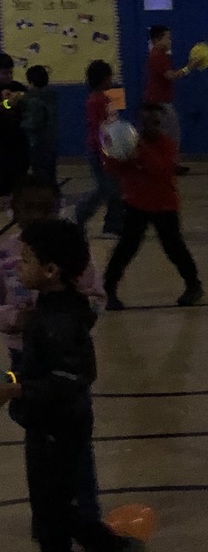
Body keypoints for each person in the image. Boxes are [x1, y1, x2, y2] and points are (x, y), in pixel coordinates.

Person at [0, 219, 144, 552]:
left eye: (26, 260)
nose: (17, 266)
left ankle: (115, 547)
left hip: (57, 428)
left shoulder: (59, 320)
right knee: (53, 510)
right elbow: (43, 370)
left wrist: (16, 390)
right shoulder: (49, 310)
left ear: (50, 270)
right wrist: (14, 381)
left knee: (54, 513)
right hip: (47, 424)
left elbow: (71, 378)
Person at [0, 178, 106, 529]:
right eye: (27, 207)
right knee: (39, 443)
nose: (36, 215)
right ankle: (47, 518)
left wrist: (68, 322)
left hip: (62, 360)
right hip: (25, 360)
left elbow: (95, 298)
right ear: (13, 209)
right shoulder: (6, 254)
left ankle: (87, 517)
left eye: (45, 207)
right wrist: (17, 319)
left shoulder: (69, 249)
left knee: (76, 444)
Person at [102, 103, 203, 310]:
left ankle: (193, 286)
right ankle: (108, 290)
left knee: (174, 248)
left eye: (156, 121)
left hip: (164, 205)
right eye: (147, 121)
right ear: (140, 122)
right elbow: (114, 168)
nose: (152, 125)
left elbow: (161, 168)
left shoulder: (165, 144)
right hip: (136, 203)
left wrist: (139, 155)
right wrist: (115, 152)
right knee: (126, 248)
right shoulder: (129, 143)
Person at [75, 60, 123, 239]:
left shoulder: (104, 98)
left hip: (109, 150)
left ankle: (114, 225)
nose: (112, 79)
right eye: (109, 76)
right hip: (100, 152)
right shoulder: (95, 101)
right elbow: (97, 128)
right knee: (106, 188)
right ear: (103, 79)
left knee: (114, 188)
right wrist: (105, 151)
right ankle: (80, 214)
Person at [143, 25, 198, 176]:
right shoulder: (158, 56)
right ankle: (167, 165)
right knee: (171, 134)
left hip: (159, 101)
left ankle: (168, 164)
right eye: (167, 38)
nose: (170, 41)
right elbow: (171, 76)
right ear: (156, 40)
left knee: (167, 134)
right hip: (160, 103)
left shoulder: (159, 55)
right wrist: (189, 67)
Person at [18, 65, 59, 184]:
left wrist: (20, 123)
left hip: (37, 144)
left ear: (31, 82)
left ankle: (46, 200)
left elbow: (32, 123)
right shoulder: (51, 97)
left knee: (40, 177)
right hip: (51, 142)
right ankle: (56, 200)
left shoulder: (33, 100)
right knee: (50, 174)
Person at [0, 52, 30, 199]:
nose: (8, 76)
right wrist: (6, 102)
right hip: (2, 139)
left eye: (10, 72)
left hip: (17, 137)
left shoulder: (16, 87)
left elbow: (29, 100)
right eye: (4, 73)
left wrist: (20, 97)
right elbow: (5, 107)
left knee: (20, 166)